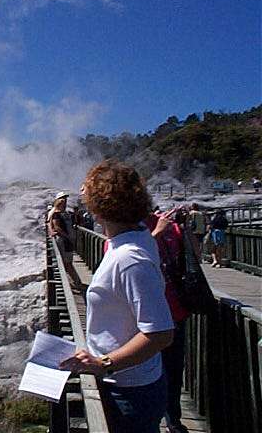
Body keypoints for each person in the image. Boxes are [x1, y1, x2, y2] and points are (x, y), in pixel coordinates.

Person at [60, 160, 174, 433]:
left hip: (129, 389)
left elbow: (160, 333)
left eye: (87, 196)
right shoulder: (136, 236)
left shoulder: (129, 259)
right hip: (127, 381)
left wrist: (103, 363)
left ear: (99, 210)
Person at [146, 208, 192, 433]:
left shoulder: (128, 230)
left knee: (158, 371)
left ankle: (167, 420)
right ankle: (171, 420)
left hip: (154, 314)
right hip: (172, 311)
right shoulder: (169, 227)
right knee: (171, 371)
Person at [48, 192, 84, 291]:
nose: (65, 202)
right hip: (64, 241)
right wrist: (67, 236)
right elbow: (56, 226)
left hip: (66, 240)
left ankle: (74, 283)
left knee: (67, 263)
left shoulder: (64, 213)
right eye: (63, 200)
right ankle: (75, 283)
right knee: (67, 263)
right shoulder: (56, 213)